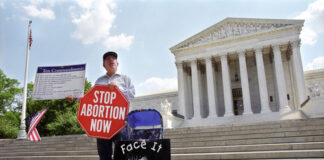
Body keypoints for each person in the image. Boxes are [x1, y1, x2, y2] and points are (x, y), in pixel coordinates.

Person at [67, 51, 135, 160]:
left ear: (118, 63)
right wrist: (75, 98)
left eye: (113, 58)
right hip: (102, 125)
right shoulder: (99, 81)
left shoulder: (125, 78)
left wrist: (118, 89)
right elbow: (90, 100)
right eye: (107, 59)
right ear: (104, 65)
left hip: (121, 123)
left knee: (123, 154)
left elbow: (131, 95)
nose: (111, 60)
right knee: (104, 156)